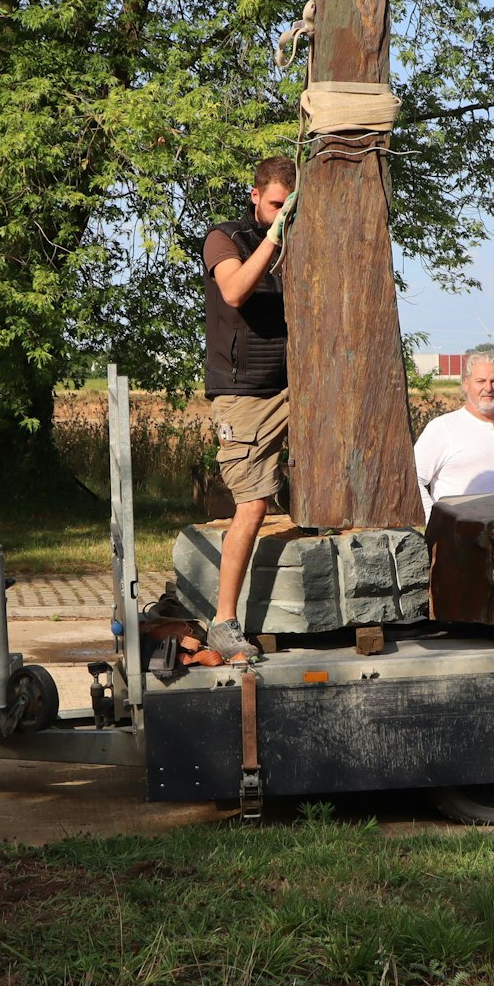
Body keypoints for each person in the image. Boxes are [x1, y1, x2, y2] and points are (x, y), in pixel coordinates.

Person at [200, 157, 299, 663]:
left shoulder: (297, 241)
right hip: (242, 395)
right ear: (256, 195)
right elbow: (235, 290)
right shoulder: (226, 238)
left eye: (291, 207)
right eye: (277, 205)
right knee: (253, 503)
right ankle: (223, 621)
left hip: (295, 387)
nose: (284, 214)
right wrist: (276, 238)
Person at [415, 350, 494, 516]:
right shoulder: (443, 428)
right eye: (480, 381)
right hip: (457, 538)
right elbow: (414, 480)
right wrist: (432, 522)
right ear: (465, 383)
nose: (488, 388)